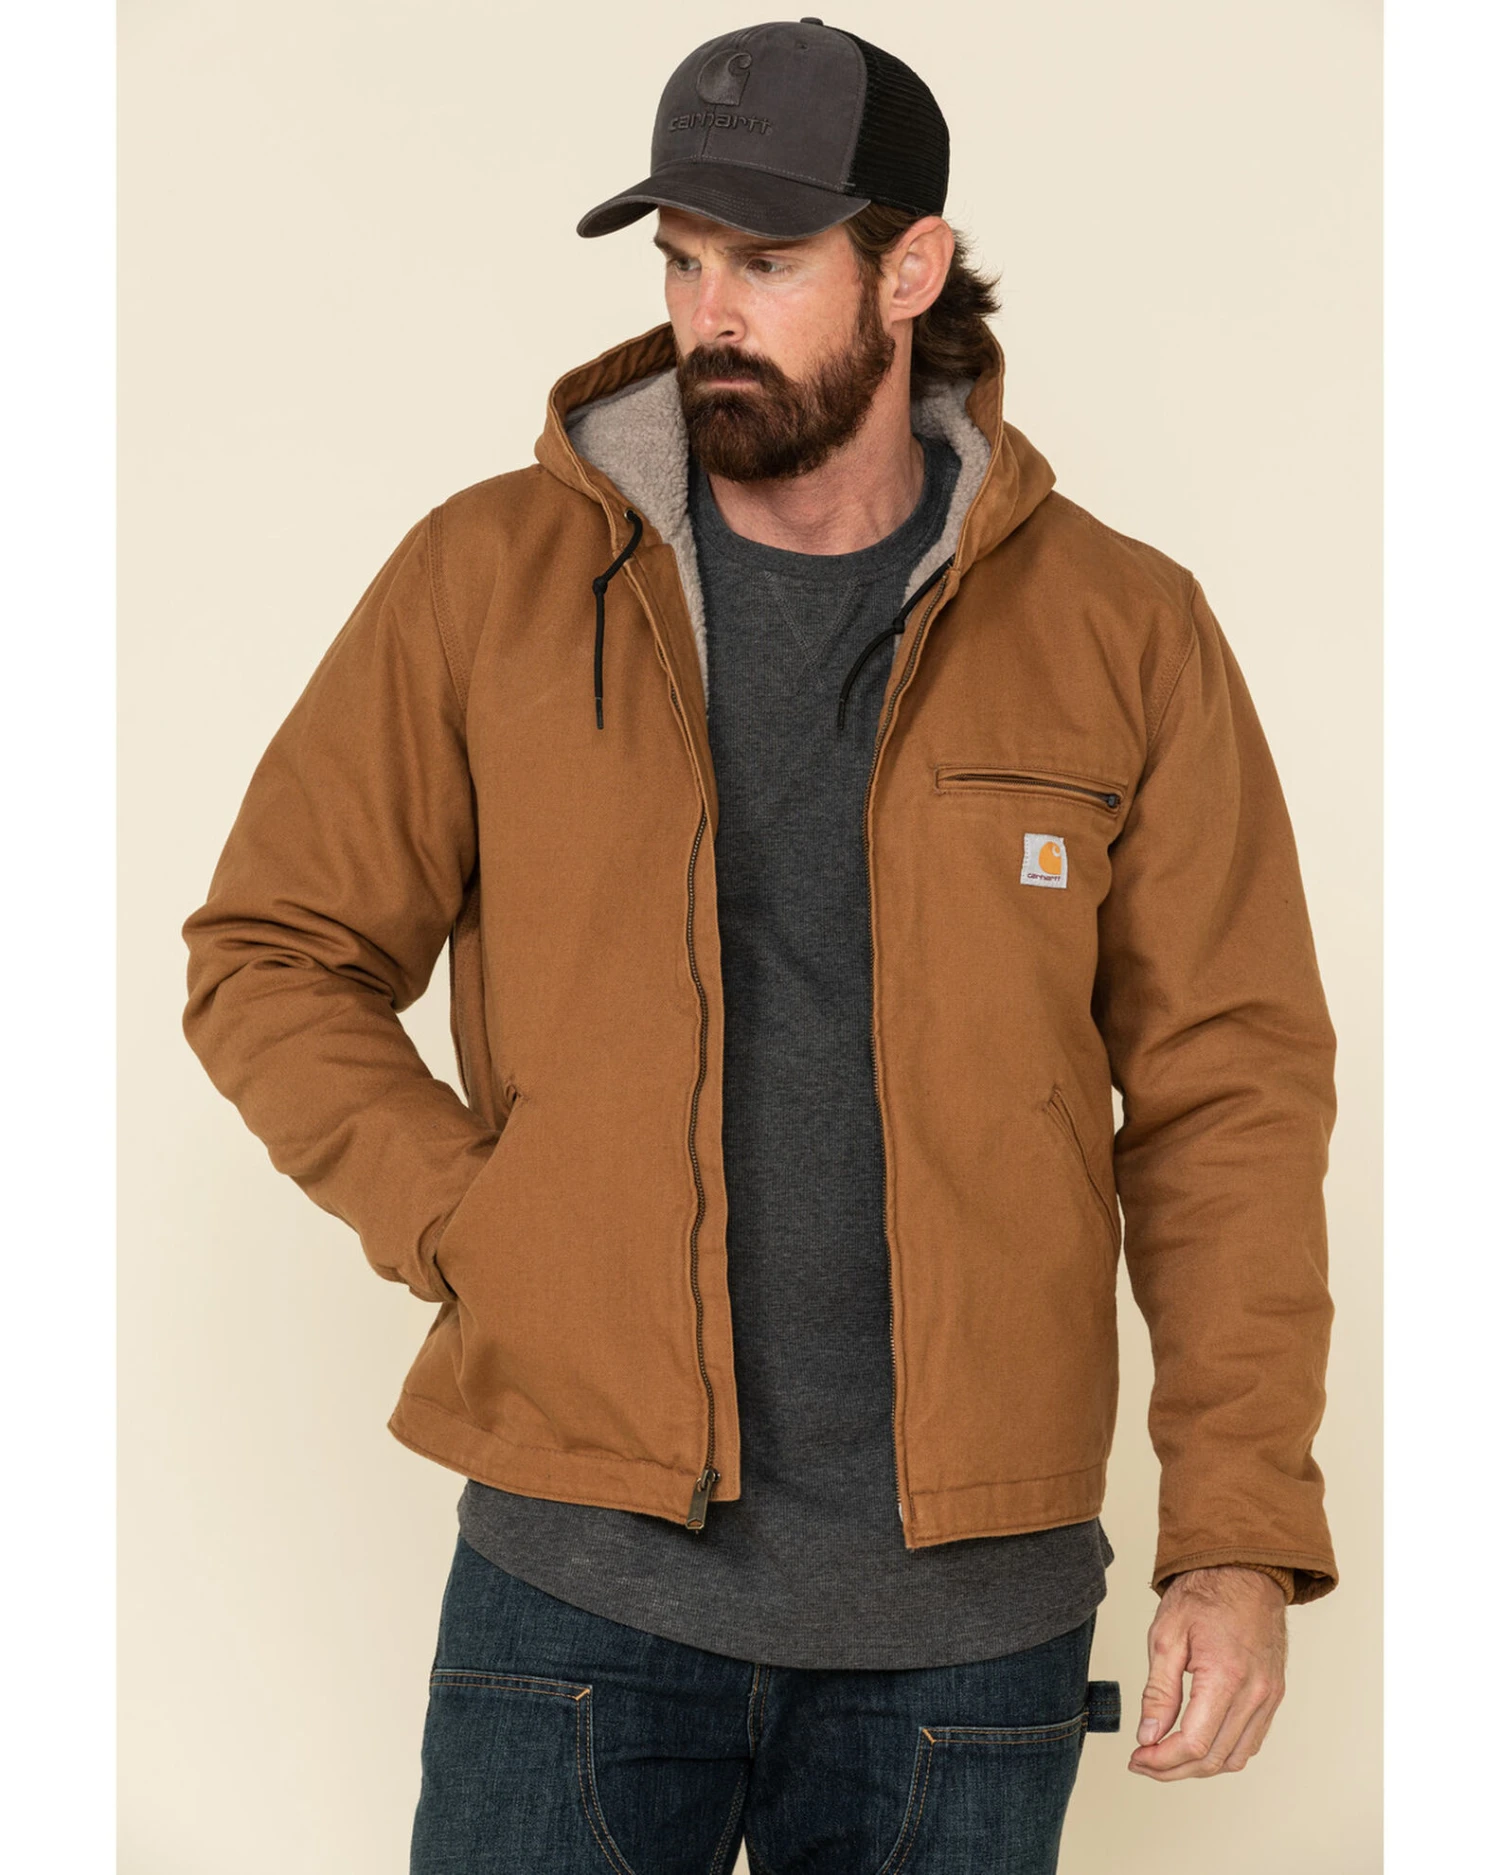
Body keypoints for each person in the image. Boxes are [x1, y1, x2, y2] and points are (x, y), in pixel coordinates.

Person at [181, 18, 1339, 1871]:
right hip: (577, 1585)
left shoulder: (1126, 629)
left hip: (967, 1635)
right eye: (682, 258)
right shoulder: (491, 580)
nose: (708, 312)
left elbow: (1232, 1097)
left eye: (770, 261)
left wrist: (1236, 1536)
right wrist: (478, 1220)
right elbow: (270, 948)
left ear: (910, 267)